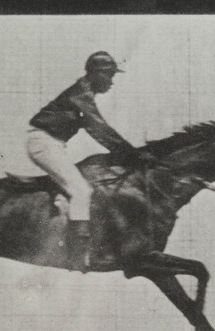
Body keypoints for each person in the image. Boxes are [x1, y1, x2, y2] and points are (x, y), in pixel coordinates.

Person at [27, 51, 156, 273]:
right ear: (95, 74)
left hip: (51, 143)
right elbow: (100, 130)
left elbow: (100, 132)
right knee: (81, 191)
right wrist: (133, 154)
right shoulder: (80, 96)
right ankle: (77, 255)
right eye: (109, 76)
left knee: (75, 186)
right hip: (43, 142)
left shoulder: (83, 93)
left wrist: (130, 153)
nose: (111, 82)